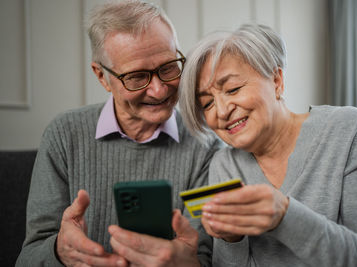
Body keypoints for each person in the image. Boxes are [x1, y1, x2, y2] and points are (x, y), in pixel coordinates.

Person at [16, 1, 219, 266]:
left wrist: (189, 263)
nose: (159, 90)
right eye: (137, 77)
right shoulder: (64, 135)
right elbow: (27, 258)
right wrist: (58, 251)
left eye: (169, 67)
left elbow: (205, 255)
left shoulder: (205, 144)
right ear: (102, 77)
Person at [179, 23, 357, 266]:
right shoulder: (224, 165)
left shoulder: (349, 131)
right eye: (207, 104)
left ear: (276, 80)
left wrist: (286, 216)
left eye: (233, 89)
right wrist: (231, 240)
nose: (221, 111)